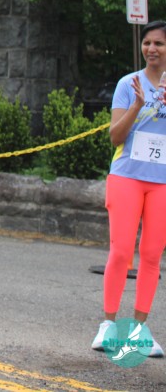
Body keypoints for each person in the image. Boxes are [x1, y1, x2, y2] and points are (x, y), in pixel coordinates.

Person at [91, 20, 166, 357]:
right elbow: (115, 136)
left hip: (162, 182)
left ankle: (139, 330)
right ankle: (108, 324)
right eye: (147, 43)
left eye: (159, 43)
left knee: (151, 255)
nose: (152, 49)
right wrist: (137, 104)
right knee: (122, 251)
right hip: (127, 177)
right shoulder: (128, 83)